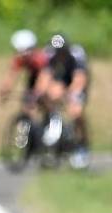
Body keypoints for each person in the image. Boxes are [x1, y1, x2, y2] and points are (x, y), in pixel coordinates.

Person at [35, 33, 90, 167]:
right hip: (62, 78)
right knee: (49, 95)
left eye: (61, 53)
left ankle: (81, 145)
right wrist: (39, 93)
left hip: (77, 80)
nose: (59, 56)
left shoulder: (77, 55)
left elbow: (79, 79)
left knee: (76, 112)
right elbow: (45, 76)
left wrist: (69, 93)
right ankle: (52, 124)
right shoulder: (50, 55)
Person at [0, 29, 47, 115]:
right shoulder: (19, 58)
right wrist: (5, 90)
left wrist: (38, 93)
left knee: (44, 97)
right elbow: (11, 76)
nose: (18, 55)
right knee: (27, 105)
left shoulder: (40, 59)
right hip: (33, 76)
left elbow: (43, 78)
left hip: (46, 75)